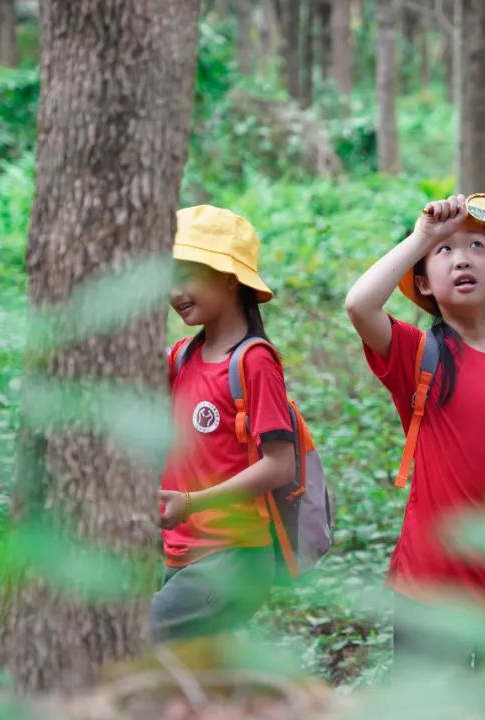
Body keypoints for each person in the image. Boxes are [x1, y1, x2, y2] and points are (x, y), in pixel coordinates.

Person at [344, 193, 485, 668]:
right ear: (424, 284)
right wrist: (421, 237)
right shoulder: (417, 353)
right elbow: (359, 304)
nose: (461, 259)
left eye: (477, 246)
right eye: (444, 253)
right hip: (431, 587)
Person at [151, 205, 295, 642]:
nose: (175, 292)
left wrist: (192, 503)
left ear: (231, 277)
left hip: (232, 555)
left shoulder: (253, 361)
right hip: (180, 552)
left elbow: (279, 465)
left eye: (187, 275)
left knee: (138, 640)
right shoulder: (180, 357)